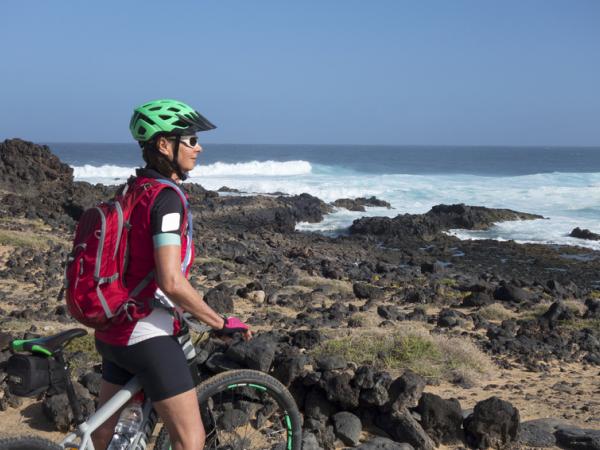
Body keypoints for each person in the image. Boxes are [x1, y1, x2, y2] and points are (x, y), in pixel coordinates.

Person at [92, 99, 252, 450]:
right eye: (191, 140)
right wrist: (219, 322)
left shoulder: (131, 191)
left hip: (112, 328)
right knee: (190, 440)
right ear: (165, 145)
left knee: (100, 434)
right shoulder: (166, 199)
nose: (199, 147)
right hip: (145, 335)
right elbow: (171, 280)